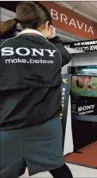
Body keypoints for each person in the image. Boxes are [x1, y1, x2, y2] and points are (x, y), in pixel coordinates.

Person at [0, 2, 73, 178]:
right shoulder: (55, 52)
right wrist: (54, 38)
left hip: (9, 123)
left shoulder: (3, 47)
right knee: (58, 167)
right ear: (47, 26)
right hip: (46, 124)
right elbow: (65, 55)